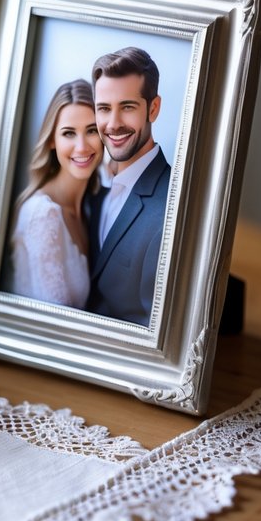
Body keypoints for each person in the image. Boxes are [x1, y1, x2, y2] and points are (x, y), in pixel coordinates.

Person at [86, 46, 171, 326]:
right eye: (104, 109)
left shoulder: (168, 212)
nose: (113, 124)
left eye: (127, 107)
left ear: (153, 108)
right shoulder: (90, 181)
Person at [8, 79, 103, 308]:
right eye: (69, 133)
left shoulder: (91, 206)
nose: (82, 147)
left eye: (92, 130)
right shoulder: (42, 214)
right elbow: (53, 321)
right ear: (52, 140)